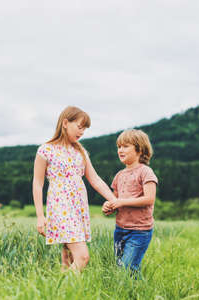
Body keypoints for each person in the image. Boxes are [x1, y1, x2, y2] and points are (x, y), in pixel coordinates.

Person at [33, 106, 117, 271]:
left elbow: (95, 179)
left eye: (85, 129)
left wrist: (114, 200)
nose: (82, 132)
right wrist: (40, 216)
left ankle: (65, 293)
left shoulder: (81, 151)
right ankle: (56, 291)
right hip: (60, 208)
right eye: (80, 127)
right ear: (65, 123)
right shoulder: (46, 150)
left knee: (69, 259)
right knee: (82, 257)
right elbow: (37, 183)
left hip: (78, 208)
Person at [102, 129, 158, 276]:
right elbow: (115, 201)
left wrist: (122, 202)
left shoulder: (146, 172)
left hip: (139, 231)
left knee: (128, 268)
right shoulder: (119, 176)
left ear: (139, 149)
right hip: (120, 230)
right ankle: (132, 291)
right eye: (119, 147)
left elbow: (149, 199)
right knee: (122, 268)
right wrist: (109, 206)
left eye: (125, 146)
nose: (120, 150)